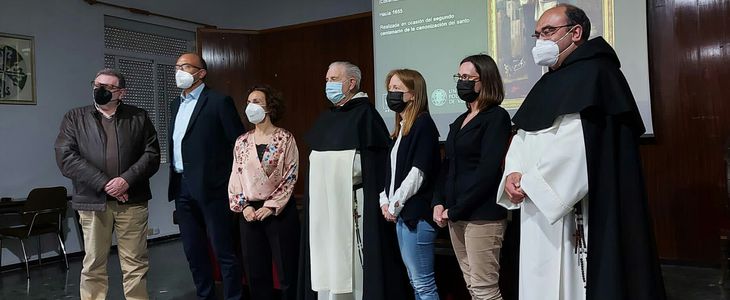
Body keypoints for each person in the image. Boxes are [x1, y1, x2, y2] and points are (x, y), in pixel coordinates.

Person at [496, 4, 666, 300]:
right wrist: (512, 172)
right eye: (537, 34)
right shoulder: (548, 81)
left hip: (574, 206)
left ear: (576, 33)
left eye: (548, 32)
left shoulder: (597, 74)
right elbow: (524, 134)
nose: (540, 41)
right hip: (535, 203)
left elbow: (580, 145)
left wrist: (532, 183)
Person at [297, 61, 411, 300]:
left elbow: (371, 165)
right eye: (327, 80)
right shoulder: (327, 117)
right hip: (325, 205)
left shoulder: (366, 114)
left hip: (353, 203)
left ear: (351, 83)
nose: (328, 84)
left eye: (334, 79)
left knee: (351, 266)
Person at [55, 68, 160, 300]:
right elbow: (66, 157)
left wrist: (126, 181)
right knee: (93, 264)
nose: (100, 90)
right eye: (97, 85)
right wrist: (105, 183)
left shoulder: (138, 117)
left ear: (121, 93)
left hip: (131, 201)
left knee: (135, 264)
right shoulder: (75, 117)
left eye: (108, 88)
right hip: (92, 202)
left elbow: (152, 155)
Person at [432, 54, 512, 300]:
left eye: (467, 77)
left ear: (484, 80)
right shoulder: (459, 121)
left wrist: (456, 210)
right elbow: (448, 167)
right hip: (456, 214)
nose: (461, 82)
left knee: (484, 289)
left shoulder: (496, 117)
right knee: (472, 286)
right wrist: (438, 202)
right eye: (459, 77)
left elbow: (487, 172)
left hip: (482, 215)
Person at [168, 53, 246, 300]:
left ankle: (233, 296)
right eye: (177, 66)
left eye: (185, 66)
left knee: (223, 250)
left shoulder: (218, 101)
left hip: (213, 188)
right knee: (194, 251)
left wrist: (228, 182)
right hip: (181, 186)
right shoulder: (174, 104)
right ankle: (205, 296)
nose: (179, 70)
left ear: (201, 72)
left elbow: (237, 144)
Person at [228, 85, 300, 300]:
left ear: (270, 106)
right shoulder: (241, 142)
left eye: (257, 101)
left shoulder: (285, 138)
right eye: (249, 101)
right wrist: (244, 206)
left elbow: (290, 175)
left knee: (287, 269)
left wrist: (271, 206)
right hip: (249, 213)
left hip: (279, 211)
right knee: (255, 272)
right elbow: (235, 177)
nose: (252, 106)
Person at [380, 69, 441, 299]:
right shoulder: (401, 128)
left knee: (423, 283)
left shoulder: (423, 124)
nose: (391, 93)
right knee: (416, 283)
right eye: (390, 88)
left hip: (416, 214)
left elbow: (418, 172)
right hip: (403, 214)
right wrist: (385, 200)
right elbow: (392, 172)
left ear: (413, 94)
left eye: (397, 89)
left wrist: (395, 203)